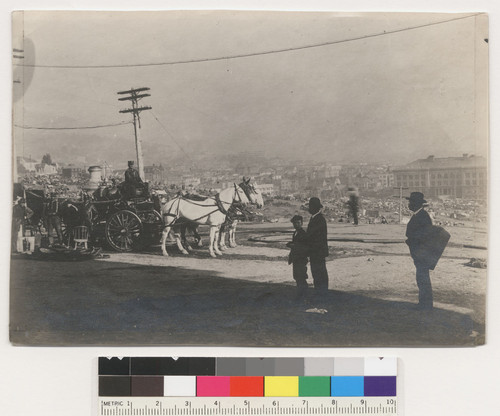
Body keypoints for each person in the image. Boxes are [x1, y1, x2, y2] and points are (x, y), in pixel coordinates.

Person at [405, 192, 433, 310]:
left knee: (423, 279)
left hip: (422, 253)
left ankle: (425, 305)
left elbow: (424, 236)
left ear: (416, 204)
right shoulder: (419, 215)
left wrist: (411, 241)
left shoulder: (422, 216)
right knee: (421, 278)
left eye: (411, 202)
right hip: (419, 253)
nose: (409, 204)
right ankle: (424, 303)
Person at [306, 197, 329, 294]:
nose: (309, 208)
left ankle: (322, 293)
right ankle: (319, 292)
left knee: (319, 273)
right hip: (316, 251)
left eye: (311, 206)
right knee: (316, 272)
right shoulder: (315, 218)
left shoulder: (319, 219)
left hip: (318, 251)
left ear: (315, 207)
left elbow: (311, 234)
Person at [286, 215, 309, 299]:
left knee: (301, 277)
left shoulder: (303, 234)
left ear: (302, 223)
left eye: (298, 223)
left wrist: (293, 246)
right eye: (295, 223)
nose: (296, 225)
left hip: (301, 259)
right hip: (295, 258)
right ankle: (300, 294)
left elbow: (305, 247)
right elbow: (295, 243)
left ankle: (304, 296)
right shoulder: (295, 233)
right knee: (297, 276)